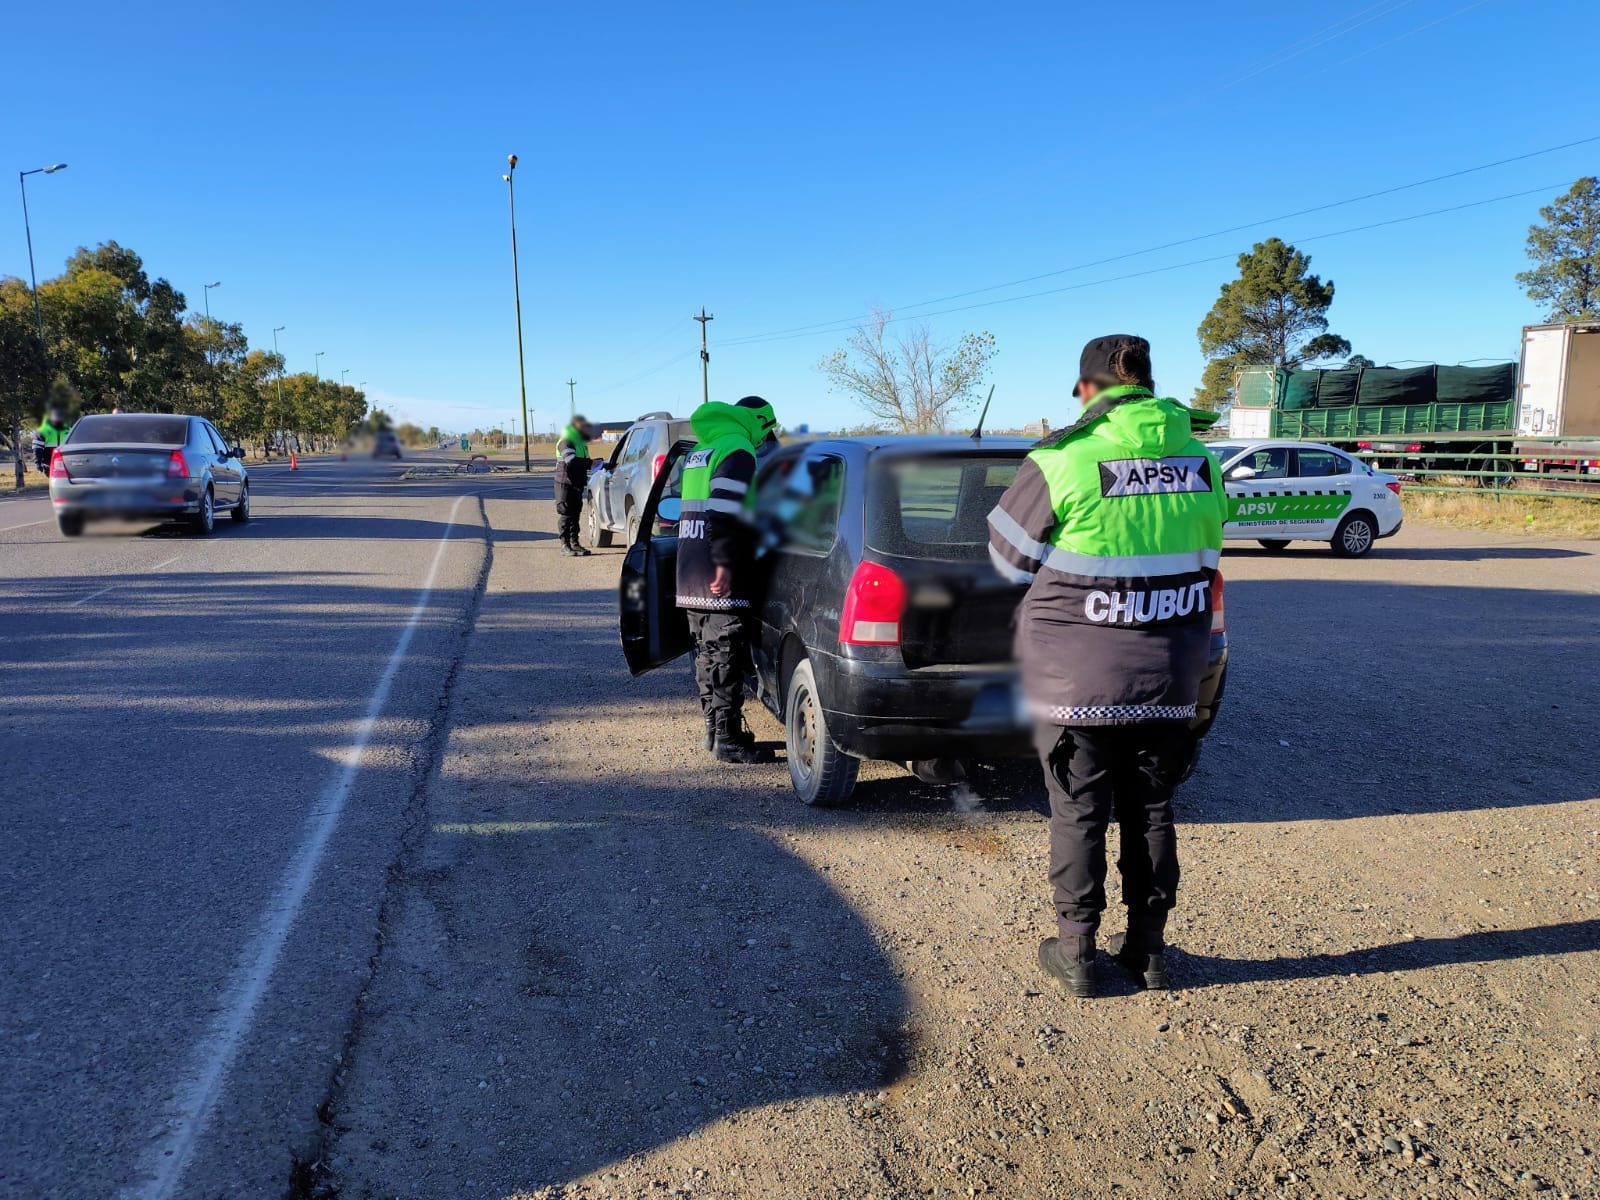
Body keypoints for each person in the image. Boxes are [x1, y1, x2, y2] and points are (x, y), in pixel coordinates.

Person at [987, 335, 1226, 998]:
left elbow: (1007, 561)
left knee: (1080, 811)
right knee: (1151, 809)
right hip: (1170, 675)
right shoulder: (1203, 461)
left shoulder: (1063, 458)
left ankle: (1079, 954)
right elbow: (1207, 553)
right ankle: (1148, 952)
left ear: (1090, 389)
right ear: (1148, 387)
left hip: (1080, 682)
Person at [675, 395, 779, 763]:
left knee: (707, 653)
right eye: (769, 428)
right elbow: (723, 510)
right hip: (717, 568)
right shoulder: (738, 449)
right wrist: (723, 563)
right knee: (725, 655)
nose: (767, 437)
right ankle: (728, 738)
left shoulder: (701, 450)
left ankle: (713, 730)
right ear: (760, 421)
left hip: (690, 566)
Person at [554, 415, 598, 556]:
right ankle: (565, 545)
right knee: (566, 514)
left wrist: (598, 464)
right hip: (565, 483)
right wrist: (591, 463)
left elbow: (583, 462)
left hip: (577, 484)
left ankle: (575, 544)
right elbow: (571, 460)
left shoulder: (580, 443)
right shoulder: (566, 441)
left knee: (575, 514)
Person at [34, 403, 72, 473]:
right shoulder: (43, 430)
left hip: (67, 465)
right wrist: (38, 463)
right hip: (49, 465)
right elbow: (37, 448)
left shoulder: (69, 429)